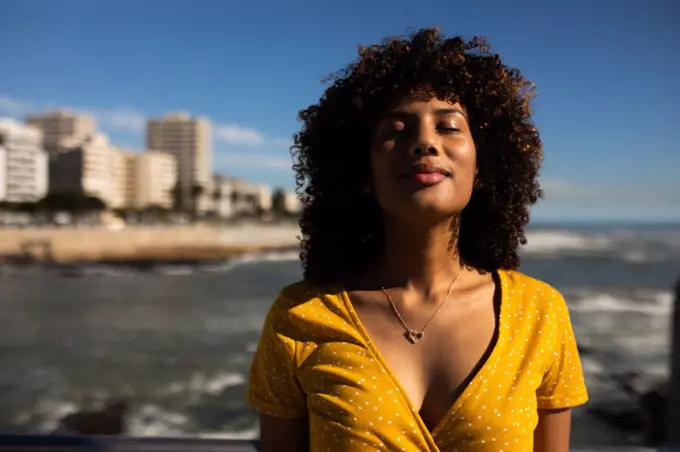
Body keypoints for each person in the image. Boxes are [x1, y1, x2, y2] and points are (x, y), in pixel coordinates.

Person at [248, 28, 588, 452]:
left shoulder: (540, 314)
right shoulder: (299, 317)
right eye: (396, 129)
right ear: (362, 172)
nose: (425, 142)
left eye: (449, 127)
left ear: (482, 167)